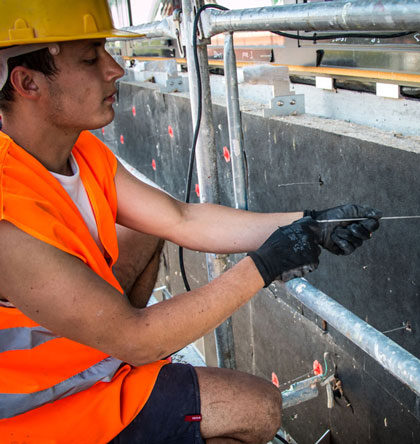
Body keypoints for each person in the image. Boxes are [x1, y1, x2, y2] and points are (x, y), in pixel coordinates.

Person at [0, 1, 381, 443]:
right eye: (90, 57)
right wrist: (265, 264)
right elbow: (136, 338)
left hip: (89, 353)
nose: (115, 69)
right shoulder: (8, 215)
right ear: (27, 82)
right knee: (258, 408)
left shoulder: (80, 154)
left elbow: (181, 218)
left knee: (145, 228)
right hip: (39, 413)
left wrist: (311, 224)